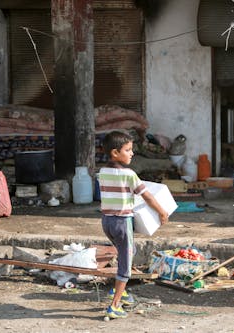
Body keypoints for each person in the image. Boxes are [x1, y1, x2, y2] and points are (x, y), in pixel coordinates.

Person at [99, 130, 169, 319]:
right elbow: (147, 197)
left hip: (107, 222)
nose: (132, 153)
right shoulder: (129, 175)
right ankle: (115, 305)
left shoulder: (103, 172)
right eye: (128, 150)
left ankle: (120, 292)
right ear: (115, 153)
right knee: (126, 264)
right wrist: (162, 212)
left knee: (127, 253)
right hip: (122, 222)